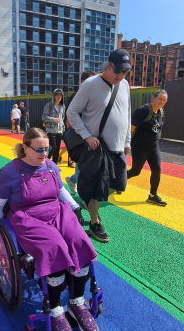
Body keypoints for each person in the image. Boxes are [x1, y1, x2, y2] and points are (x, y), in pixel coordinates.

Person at [0, 128, 99, 331]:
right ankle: (55, 312)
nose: (44, 154)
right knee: (53, 248)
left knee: (80, 242)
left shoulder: (51, 166)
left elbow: (61, 191)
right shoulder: (9, 172)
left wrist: (75, 207)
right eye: (38, 150)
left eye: (47, 149)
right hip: (27, 217)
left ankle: (76, 303)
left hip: (57, 211)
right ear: (25, 148)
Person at [66, 49, 132, 243]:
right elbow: (72, 112)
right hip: (96, 147)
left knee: (119, 184)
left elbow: (127, 113)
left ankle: (89, 202)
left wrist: (127, 141)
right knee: (95, 186)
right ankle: (95, 222)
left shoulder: (125, 85)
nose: (121, 75)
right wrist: (87, 136)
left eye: (125, 72)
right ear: (108, 66)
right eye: (118, 71)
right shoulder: (90, 84)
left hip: (118, 145)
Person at [128, 90, 168, 206]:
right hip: (140, 147)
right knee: (135, 171)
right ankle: (114, 183)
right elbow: (131, 128)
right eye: (160, 99)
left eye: (164, 100)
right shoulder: (143, 111)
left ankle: (152, 195)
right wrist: (127, 144)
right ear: (153, 98)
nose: (162, 102)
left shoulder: (161, 112)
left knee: (157, 170)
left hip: (153, 147)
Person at [64, 70, 96, 193]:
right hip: (79, 134)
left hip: (93, 133)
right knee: (83, 161)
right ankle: (76, 181)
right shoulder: (75, 97)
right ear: (83, 82)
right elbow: (69, 117)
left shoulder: (94, 97)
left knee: (87, 162)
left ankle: (73, 179)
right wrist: (70, 137)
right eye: (91, 80)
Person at [42, 89, 65, 164]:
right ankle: (45, 162)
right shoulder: (49, 105)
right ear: (54, 96)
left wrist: (63, 128)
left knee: (57, 149)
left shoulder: (63, 106)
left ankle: (55, 165)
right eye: (57, 95)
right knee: (53, 147)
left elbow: (62, 118)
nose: (59, 96)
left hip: (59, 130)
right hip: (51, 129)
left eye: (60, 95)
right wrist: (53, 119)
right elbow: (44, 117)